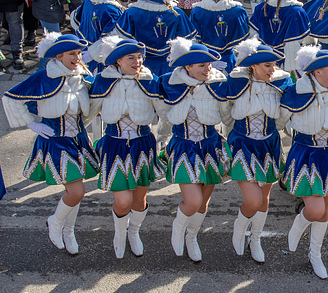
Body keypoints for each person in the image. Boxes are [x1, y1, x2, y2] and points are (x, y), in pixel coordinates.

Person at [2, 33, 99, 255]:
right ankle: (55, 222)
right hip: (55, 141)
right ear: (58, 56)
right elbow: (10, 97)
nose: (77, 57)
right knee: (77, 191)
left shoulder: (84, 76)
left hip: (79, 140)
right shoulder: (44, 76)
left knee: (75, 191)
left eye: (78, 53)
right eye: (71, 54)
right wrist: (32, 125)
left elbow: (96, 101)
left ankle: (69, 230)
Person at [89, 37, 167, 259]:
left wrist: (165, 133)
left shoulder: (151, 80)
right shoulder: (104, 81)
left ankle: (134, 232)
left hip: (143, 144)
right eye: (131, 58)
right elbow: (88, 110)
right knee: (123, 201)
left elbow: (166, 110)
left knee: (139, 201)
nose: (137, 62)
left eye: (140, 57)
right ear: (118, 61)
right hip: (115, 144)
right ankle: (120, 233)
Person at [221, 38, 293, 263]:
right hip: (242, 144)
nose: (273, 70)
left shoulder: (282, 83)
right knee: (252, 200)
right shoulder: (237, 82)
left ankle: (256, 239)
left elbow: (285, 115)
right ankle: (240, 228)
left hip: (269, 144)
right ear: (252, 65)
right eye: (267, 65)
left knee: (263, 199)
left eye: (274, 65)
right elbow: (225, 109)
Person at [281, 46, 328, 279]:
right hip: (306, 155)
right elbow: (279, 120)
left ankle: (315, 255)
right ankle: (299, 225)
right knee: (315, 209)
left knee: (324, 210)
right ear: (316, 71)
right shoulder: (295, 91)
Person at [161, 38, 228, 262]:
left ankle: (192, 237)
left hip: (211, 147)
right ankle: (178, 228)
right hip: (184, 147)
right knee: (193, 201)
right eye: (201, 65)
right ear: (187, 66)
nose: (207, 69)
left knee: (204, 202)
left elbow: (230, 111)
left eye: (209, 64)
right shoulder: (170, 83)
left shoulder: (218, 83)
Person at [114, 0, 197, 76]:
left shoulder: (131, 12)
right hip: (170, 66)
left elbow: (121, 39)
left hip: (139, 66)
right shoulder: (177, 13)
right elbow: (188, 41)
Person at [248, 0, 310, 72]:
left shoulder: (261, 7)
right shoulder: (297, 11)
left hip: (264, 59)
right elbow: (304, 39)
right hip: (288, 61)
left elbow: (253, 35)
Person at [190, 0, 249, 74]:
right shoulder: (238, 11)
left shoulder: (198, 11)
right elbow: (243, 42)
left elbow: (193, 40)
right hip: (230, 61)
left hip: (205, 62)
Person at [70, 0, 127, 74]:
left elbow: (74, 20)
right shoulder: (111, 9)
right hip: (102, 56)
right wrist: (92, 53)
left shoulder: (88, 1)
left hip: (83, 51)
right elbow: (112, 37)